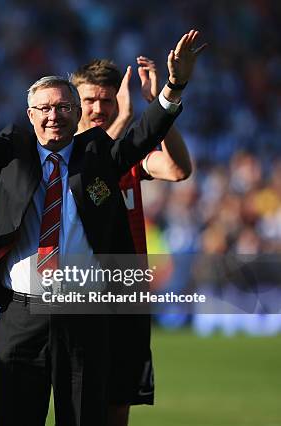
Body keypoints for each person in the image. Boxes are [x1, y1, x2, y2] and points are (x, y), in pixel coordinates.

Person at [0, 27, 205, 425]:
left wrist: (175, 84)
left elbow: (147, 132)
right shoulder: (13, 153)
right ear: (30, 116)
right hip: (22, 316)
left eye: (63, 107)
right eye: (44, 109)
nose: (53, 116)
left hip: (84, 318)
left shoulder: (98, 154)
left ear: (77, 114)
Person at [71, 57, 192, 425]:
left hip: (128, 293)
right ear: (75, 103)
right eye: (90, 100)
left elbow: (177, 169)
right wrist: (126, 119)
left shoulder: (128, 156)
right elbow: (89, 163)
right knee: (79, 403)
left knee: (119, 404)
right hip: (83, 295)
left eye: (108, 101)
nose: (99, 109)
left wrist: (159, 107)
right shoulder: (66, 158)